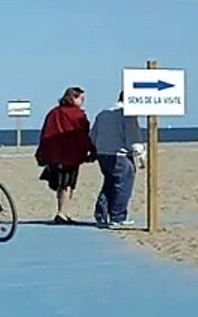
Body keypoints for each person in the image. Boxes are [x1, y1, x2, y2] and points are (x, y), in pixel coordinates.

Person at [36, 86, 96, 223]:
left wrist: (43, 152)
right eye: (81, 98)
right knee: (66, 184)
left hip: (56, 154)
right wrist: (91, 150)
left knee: (63, 184)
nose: (83, 101)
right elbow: (82, 135)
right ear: (73, 97)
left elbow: (45, 133)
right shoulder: (76, 115)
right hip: (69, 154)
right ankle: (61, 213)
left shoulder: (54, 113)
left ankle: (63, 211)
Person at [90, 91, 145, 228]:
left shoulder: (103, 113)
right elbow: (133, 137)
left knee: (109, 183)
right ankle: (117, 217)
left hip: (103, 154)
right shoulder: (127, 114)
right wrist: (141, 154)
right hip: (120, 155)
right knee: (123, 185)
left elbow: (93, 134)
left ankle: (101, 215)